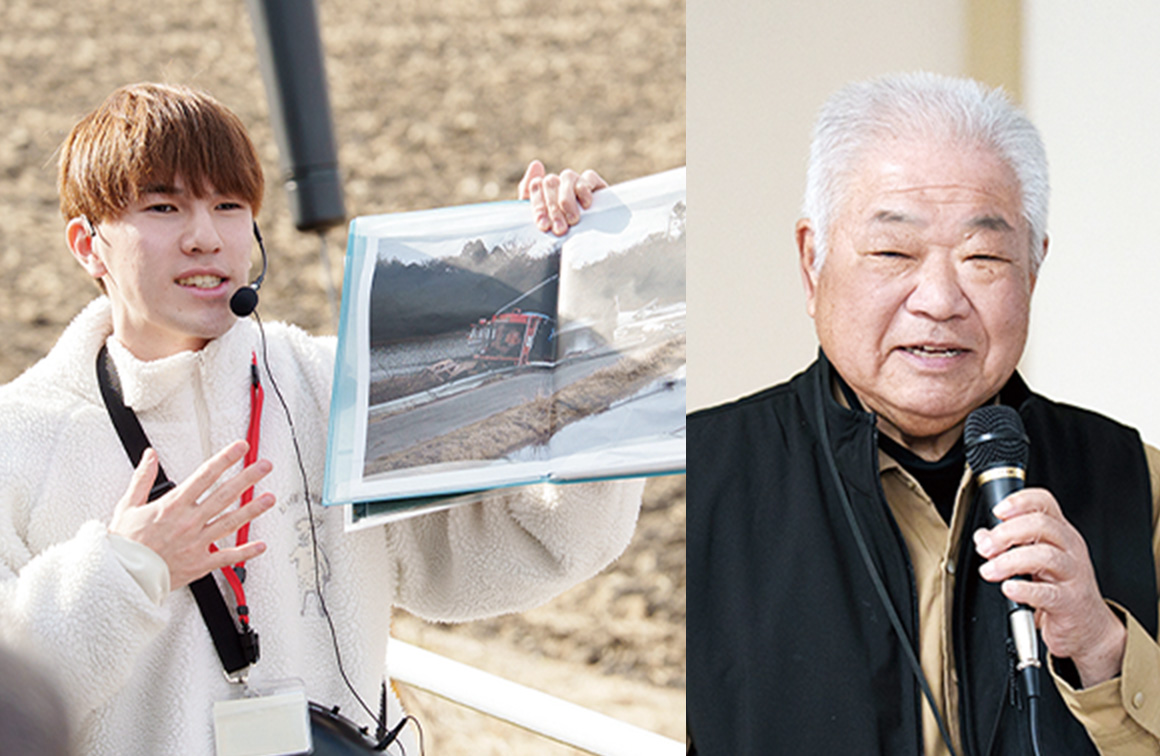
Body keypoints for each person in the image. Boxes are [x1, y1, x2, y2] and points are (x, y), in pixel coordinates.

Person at [0, 82, 643, 756]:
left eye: (228, 206)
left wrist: (581, 302)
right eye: (163, 207)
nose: (204, 238)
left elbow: (524, 551)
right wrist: (128, 571)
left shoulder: (333, 387)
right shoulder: (21, 439)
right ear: (87, 244)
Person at [687, 72, 1160, 756]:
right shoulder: (697, 477)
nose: (939, 299)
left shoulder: (1137, 485)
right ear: (810, 263)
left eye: (984, 257)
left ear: (1033, 269)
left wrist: (1101, 647)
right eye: (892, 252)